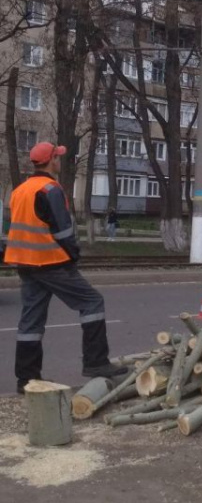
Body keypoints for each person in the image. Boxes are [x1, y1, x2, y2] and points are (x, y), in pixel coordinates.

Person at [5, 142, 127, 394]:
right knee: (92, 302)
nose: (60, 161)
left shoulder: (20, 190)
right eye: (57, 158)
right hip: (50, 262)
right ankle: (96, 363)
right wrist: (73, 255)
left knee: (31, 321)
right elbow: (62, 230)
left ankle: (26, 379)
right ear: (51, 161)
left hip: (25, 264)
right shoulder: (50, 188)